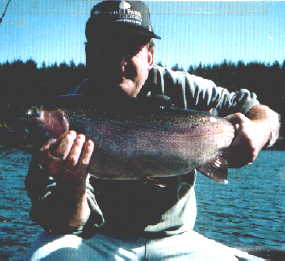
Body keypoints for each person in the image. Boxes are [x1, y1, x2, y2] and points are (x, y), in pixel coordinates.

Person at [25, 1, 279, 260]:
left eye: (130, 47)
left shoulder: (182, 88)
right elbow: (64, 223)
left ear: (150, 54)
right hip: (95, 239)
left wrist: (259, 130)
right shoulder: (60, 120)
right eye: (107, 48)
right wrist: (73, 185)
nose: (119, 62)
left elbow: (262, 113)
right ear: (89, 54)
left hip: (176, 239)